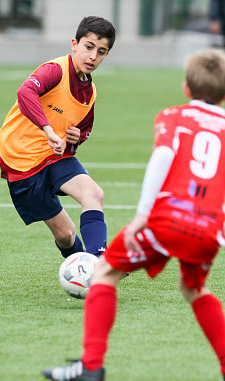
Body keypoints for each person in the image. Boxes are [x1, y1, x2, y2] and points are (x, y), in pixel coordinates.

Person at [43, 49, 225, 380]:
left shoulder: (173, 116)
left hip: (167, 219)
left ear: (186, 88)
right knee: (195, 290)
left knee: (105, 271)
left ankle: (91, 367)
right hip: (208, 229)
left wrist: (143, 214)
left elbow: (162, 158)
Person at [0, 16, 115, 259]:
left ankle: (98, 263)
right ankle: (83, 268)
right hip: (21, 161)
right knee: (66, 235)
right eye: (88, 47)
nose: (93, 56)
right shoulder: (55, 70)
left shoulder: (89, 92)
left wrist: (75, 138)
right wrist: (48, 130)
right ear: (74, 44)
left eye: (101, 52)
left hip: (54, 157)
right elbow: (26, 92)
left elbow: (84, 130)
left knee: (94, 194)